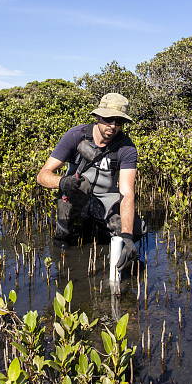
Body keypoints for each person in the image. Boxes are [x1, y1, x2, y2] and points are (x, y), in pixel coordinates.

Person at [37, 93, 142, 272]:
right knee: (81, 185)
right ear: (97, 117)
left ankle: (102, 232)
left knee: (137, 229)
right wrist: (61, 182)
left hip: (105, 200)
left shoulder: (127, 148)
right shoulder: (75, 135)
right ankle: (63, 237)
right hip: (76, 194)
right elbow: (42, 175)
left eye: (119, 121)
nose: (113, 126)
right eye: (108, 119)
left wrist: (127, 235)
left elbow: (127, 193)